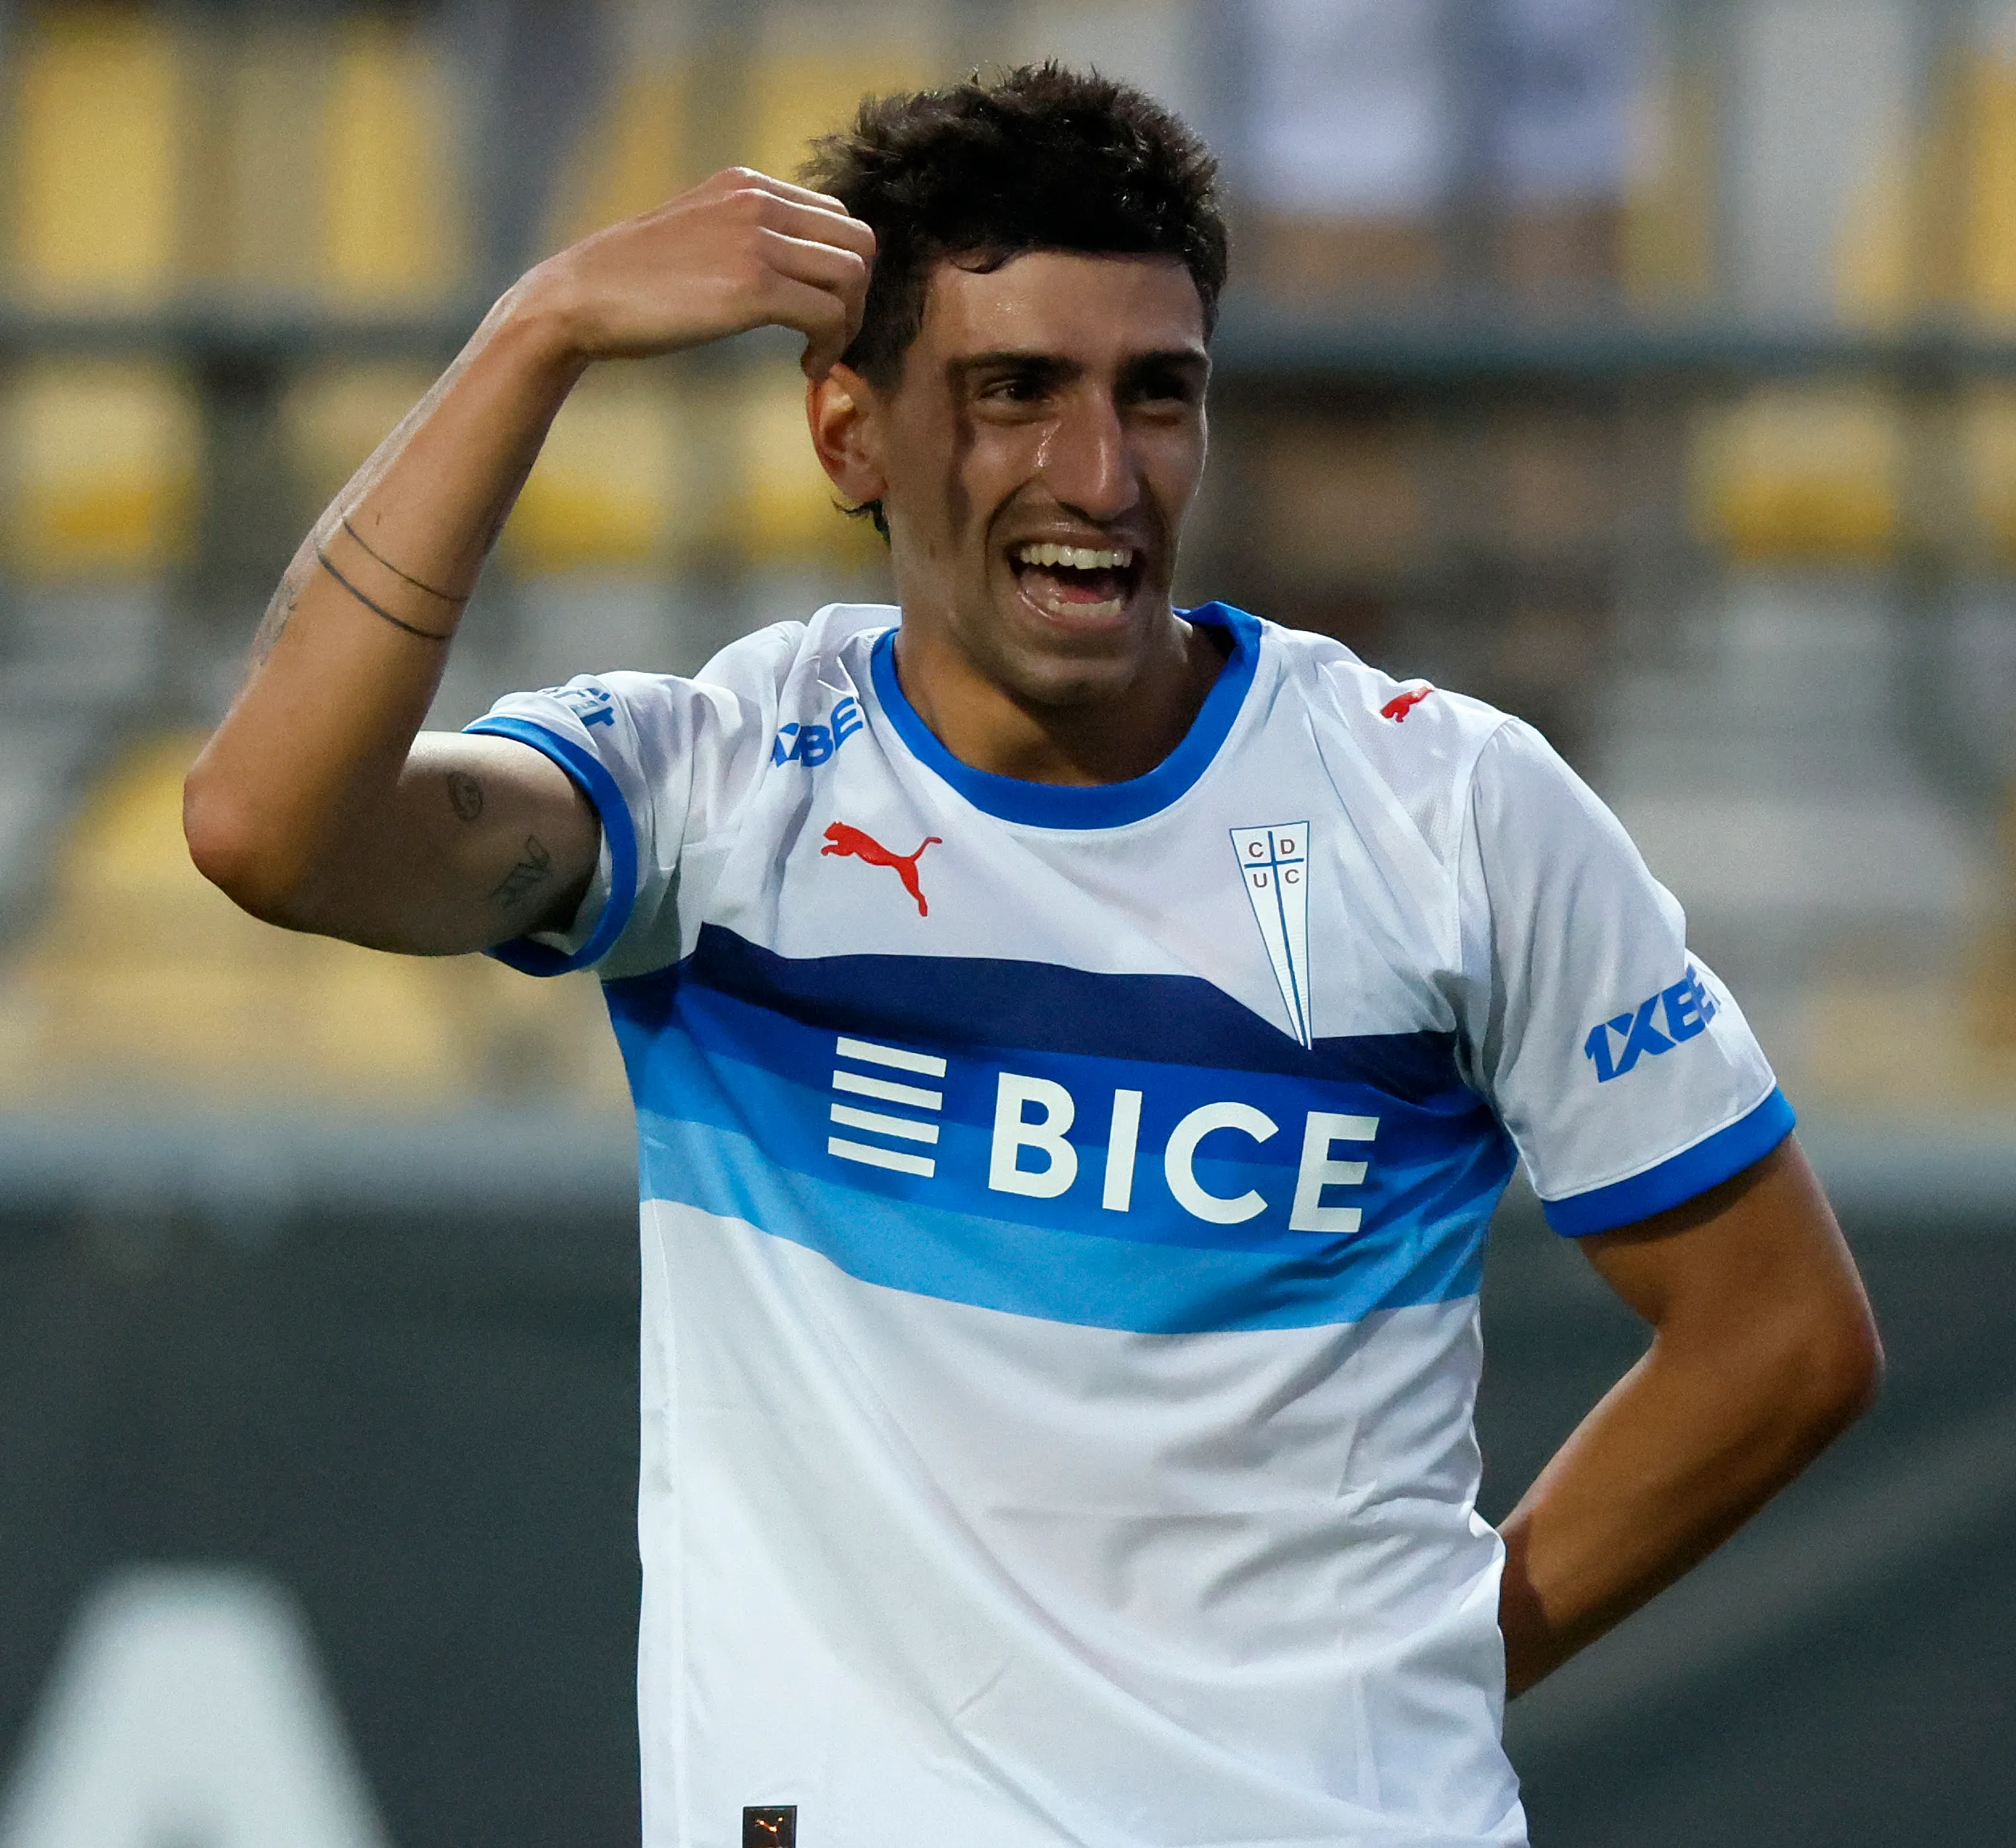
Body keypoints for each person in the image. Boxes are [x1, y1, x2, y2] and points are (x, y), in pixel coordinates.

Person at [184, 64, 1880, 1848]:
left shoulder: (1449, 811)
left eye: (1158, 397)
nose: (1100, 474)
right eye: (1013, 393)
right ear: (850, 433)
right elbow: (267, 833)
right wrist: (535, 332)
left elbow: (1774, 1341)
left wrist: (1417, 1668)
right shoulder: (720, 790)